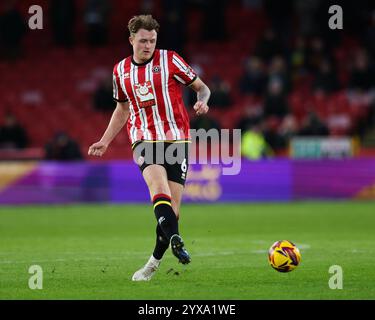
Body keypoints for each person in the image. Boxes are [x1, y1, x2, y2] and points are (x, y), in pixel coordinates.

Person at [88, 15, 210, 281]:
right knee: (158, 188)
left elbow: (202, 89)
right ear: (131, 40)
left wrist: (203, 102)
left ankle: (153, 263)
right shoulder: (120, 70)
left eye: (152, 41)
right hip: (144, 138)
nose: (148, 46)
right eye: (143, 41)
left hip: (177, 139)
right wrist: (105, 140)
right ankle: (176, 238)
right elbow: (122, 109)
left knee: (173, 212)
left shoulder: (170, 60)